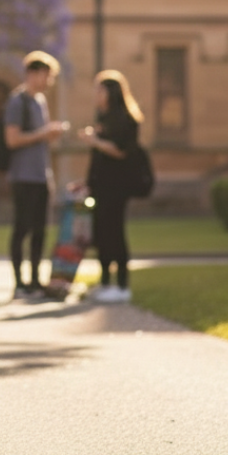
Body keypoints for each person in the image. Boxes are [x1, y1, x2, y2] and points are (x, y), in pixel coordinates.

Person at [4, 51, 67, 298]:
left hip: (42, 175)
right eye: (46, 76)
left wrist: (49, 134)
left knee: (40, 230)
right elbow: (12, 139)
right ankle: (19, 283)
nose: (49, 81)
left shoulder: (40, 101)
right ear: (34, 73)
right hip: (23, 176)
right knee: (22, 229)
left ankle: (35, 281)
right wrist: (44, 133)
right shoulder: (17, 102)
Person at [79, 69, 143, 303]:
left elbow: (120, 150)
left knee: (115, 233)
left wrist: (95, 141)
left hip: (117, 187)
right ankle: (106, 283)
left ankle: (122, 285)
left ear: (110, 92)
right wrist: (87, 182)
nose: (96, 94)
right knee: (101, 235)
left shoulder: (126, 119)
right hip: (100, 186)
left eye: (99, 89)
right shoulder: (103, 118)